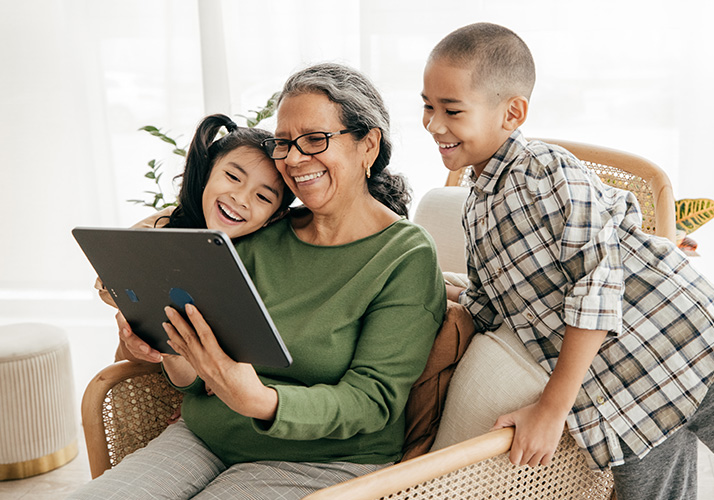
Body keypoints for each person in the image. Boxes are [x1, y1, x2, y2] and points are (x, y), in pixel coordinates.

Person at [421, 22, 714, 500]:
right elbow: (496, 307)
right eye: (427, 106)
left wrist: (551, 409)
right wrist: (428, 287)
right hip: (628, 406)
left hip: (703, 356)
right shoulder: (476, 208)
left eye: (452, 110)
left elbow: (596, 284)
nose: (433, 124)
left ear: (512, 113)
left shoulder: (546, 170)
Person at [71, 63, 446, 499]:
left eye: (315, 139)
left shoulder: (404, 255)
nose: (294, 159)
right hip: (203, 438)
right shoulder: (261, 229)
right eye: (284, 143)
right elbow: (195, 377)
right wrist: (167, 344)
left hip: (322, 460)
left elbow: (372, 400)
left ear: (369, 145)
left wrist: (259, 400)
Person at [97, 113, 296, 364]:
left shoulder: (265, 255)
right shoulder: (165, 225)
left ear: (275, 216)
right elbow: (109, 283)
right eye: (233, 177)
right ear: (207, 170)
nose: (240, 199)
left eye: (263, 197)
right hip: (144, 378)